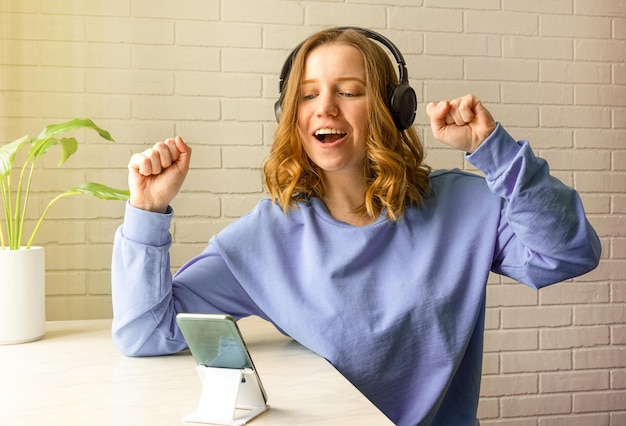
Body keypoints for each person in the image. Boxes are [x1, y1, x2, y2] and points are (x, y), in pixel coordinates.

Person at [111, 27, 601, 426]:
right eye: (307, 95)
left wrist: (495, 150)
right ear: (292, 116)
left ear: (393, 108)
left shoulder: (464, 205)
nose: (325, 107)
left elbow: (566, 253)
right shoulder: (264, 240)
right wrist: (147, 210)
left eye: (348, 92)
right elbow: (145, 332)